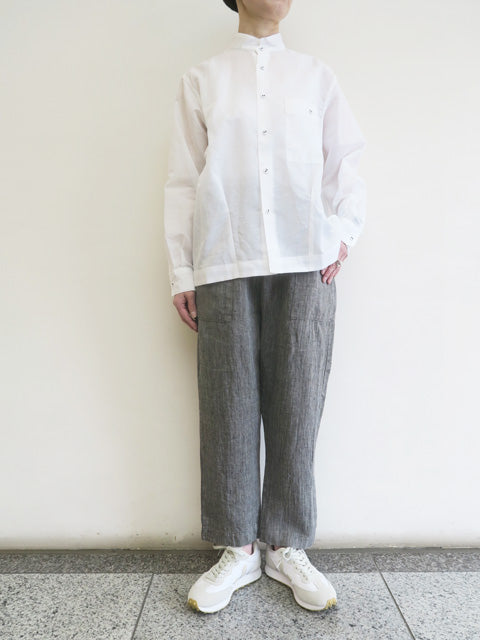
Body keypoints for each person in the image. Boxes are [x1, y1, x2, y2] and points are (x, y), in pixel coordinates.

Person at [163, 0, 367, 615]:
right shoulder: (202, 79)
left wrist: (343, 234)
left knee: (299, 401)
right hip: (224, 256)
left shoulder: (315, 75)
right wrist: (181, 269)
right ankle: (239, 546)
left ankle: (286, 544)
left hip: (307, 258)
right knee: (227, 403)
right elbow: (182, 179)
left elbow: (346, 160)